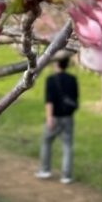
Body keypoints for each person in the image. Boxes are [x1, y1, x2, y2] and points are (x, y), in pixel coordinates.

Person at [37, 56, 79, 184]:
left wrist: (49, 117)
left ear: (56, 63)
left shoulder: (51, 80)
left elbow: (49, 101)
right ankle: (66, 176)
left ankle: (45, 170)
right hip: (68, 117)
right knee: (67, 146)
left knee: (47, 142)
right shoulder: (73, 80)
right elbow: (75, 99)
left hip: (54, 117)